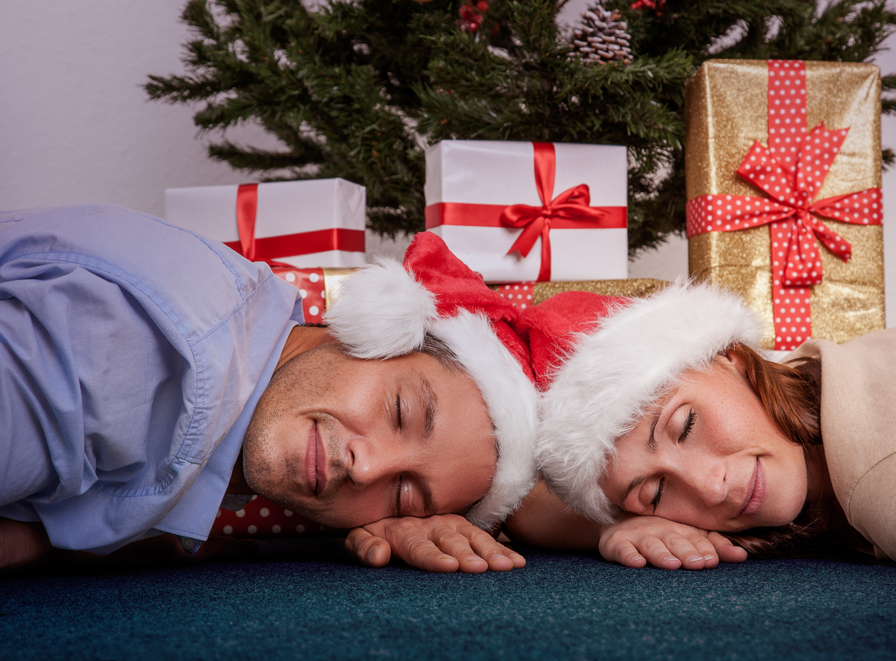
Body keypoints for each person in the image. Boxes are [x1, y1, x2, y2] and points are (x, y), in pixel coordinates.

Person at [1, 204, 538, 573]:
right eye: (399, 411)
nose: (365, 468)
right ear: (370, 332)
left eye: (402, 494)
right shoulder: (149, 350)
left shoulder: (232, 362)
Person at [506, 282, 896, 571]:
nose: (709, 487)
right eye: (656, 492)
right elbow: (529, 506)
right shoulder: (813, 379)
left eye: (686, 425)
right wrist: (611, 528)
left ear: (731, 359)